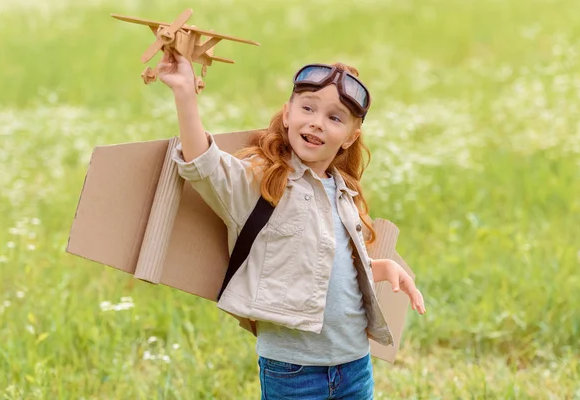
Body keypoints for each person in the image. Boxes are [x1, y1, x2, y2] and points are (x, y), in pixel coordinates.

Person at [158, 49, 426, 399]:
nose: (316, 122)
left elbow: (320, 259)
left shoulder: (342, 192)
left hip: (354, 363)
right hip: (293, 370)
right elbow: (203, 164)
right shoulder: (261, 184)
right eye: (308, 108)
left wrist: (377, 266)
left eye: (334, 117)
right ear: (287, 114)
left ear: (350, 137)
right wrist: (185, 95)